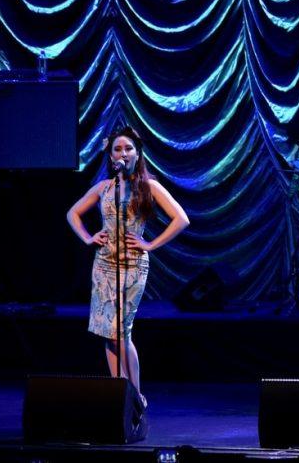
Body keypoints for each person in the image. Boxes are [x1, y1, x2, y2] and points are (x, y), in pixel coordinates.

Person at [67, 126, 190, 403]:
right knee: (107, 332)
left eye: (128, 149)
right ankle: (117, 393)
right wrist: (88, 237)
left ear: (137, 153)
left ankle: (136, 395)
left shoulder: (149, 186)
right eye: (118, 149)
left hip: (133, 264)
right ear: (111, 156)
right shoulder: (104, 188)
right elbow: (72, 213)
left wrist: (149, 244)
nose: (123, 153)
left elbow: (181, 219)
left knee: (122, 330)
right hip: (103, 264)